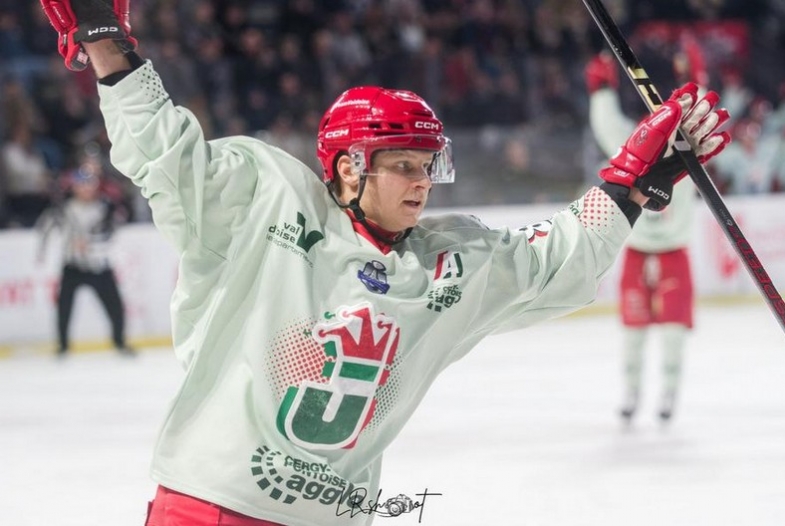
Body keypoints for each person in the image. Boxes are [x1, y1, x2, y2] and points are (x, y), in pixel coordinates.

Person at [39, 2, 729, 524]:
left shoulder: (448, 266)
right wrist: (107, 42)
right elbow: (166, 154)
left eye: (428, 166)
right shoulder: (263, 205)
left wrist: (632, 183)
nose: (422, 182)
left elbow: (557, 265)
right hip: (210, 506)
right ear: (345, 168)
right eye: (402, 165)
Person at [584, 51, 730, 424]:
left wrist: (699, 80)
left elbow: (702, 119)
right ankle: (632, 391)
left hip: (672, 252)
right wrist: (601, 90)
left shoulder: (686, 142)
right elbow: (605, 125)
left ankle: (668, 391)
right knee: (634, 333)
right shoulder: (631, 141)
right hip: (636, 251)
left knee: (673, 332)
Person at [36, 155, 134, 357]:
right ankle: (63, 345)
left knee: (115, 306)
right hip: (72, 266)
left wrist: (90, 245)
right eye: (81, 184)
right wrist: (43, 251)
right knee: (64, 307)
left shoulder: (105, 208)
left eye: (90, 183)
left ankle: (120, 341)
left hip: (99, 266)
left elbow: (110, 234)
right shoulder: (63, 209)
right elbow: (45, 227)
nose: (86, 188)